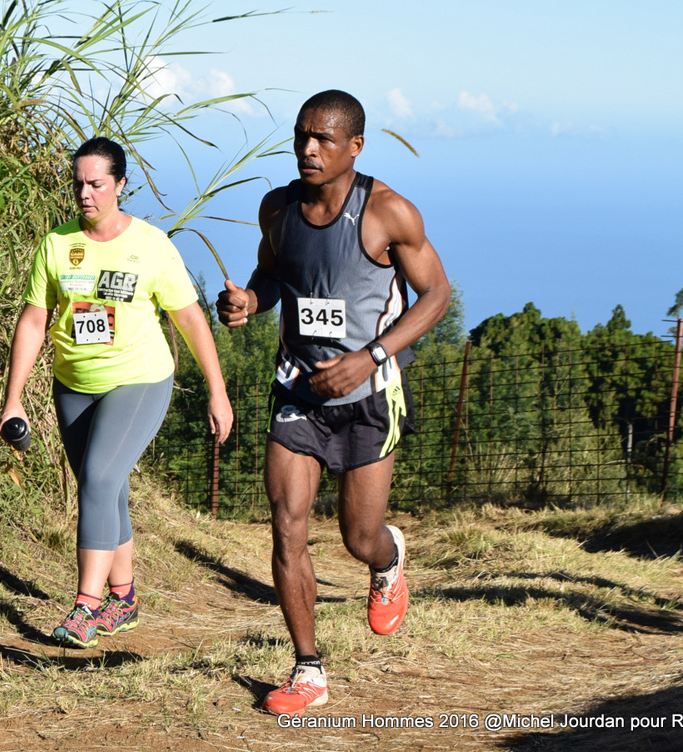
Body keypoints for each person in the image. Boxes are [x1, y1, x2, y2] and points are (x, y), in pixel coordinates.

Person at [217, 90, 450, 715]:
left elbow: (436, 295)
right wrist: (249, 303)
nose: (308, 149)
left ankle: (388, 559)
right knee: (287, 525)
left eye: (323, 138)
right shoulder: (278, 207)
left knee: (358, 535)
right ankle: (307, 670)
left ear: (356, 146)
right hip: (296, 391)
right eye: (301, 136)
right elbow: (272, 273)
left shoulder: (388, 213)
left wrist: (369, 357)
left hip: (368, 396)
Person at [1, 136, 233, 649]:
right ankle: (123, 599)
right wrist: (13, 398)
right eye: (78, 183)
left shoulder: (150, 244)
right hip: (74, 385)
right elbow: (35, 320)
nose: (85, 194)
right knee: (110, 488)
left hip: (139, 380)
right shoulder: (57, 244)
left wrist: (218, 390)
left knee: (99, 478)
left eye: (96, 184)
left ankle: (85, 606)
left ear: (121, 185)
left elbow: (190, 317)